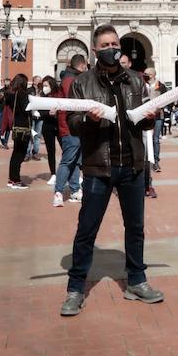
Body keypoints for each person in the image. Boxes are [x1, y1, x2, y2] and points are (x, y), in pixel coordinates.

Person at [61, 25, 161, 316]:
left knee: (136, 228)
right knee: (86, 230)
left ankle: (137, 281)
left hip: (132, 165)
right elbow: (74, 124)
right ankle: (75, 288)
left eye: (115, 43)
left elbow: (141, 122)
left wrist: (150, 117)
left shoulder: (134, 80)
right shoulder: (83, 83)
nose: (111, 48)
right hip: (98, 167)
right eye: (105, 44)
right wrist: (90, 120)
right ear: (95, 50)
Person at [53, 54, 87, 205]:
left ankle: (74, 190)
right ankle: (58, 192)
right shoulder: (70, 80)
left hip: (76, 127)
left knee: (76, 160)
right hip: (69, 127)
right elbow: (74, 102)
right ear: (82, 66)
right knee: (68, 161)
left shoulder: (71, 78)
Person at [144, 66, 166, 171]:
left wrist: (159, 107)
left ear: (152, 75)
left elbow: (166, 100)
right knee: (145, 139)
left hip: (158, 116)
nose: (144, 75)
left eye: (146, 74)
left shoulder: (160, 86)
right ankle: (146, 161)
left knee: (155, 139)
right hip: (145, 116)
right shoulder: (142, 85)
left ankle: (156, 162)